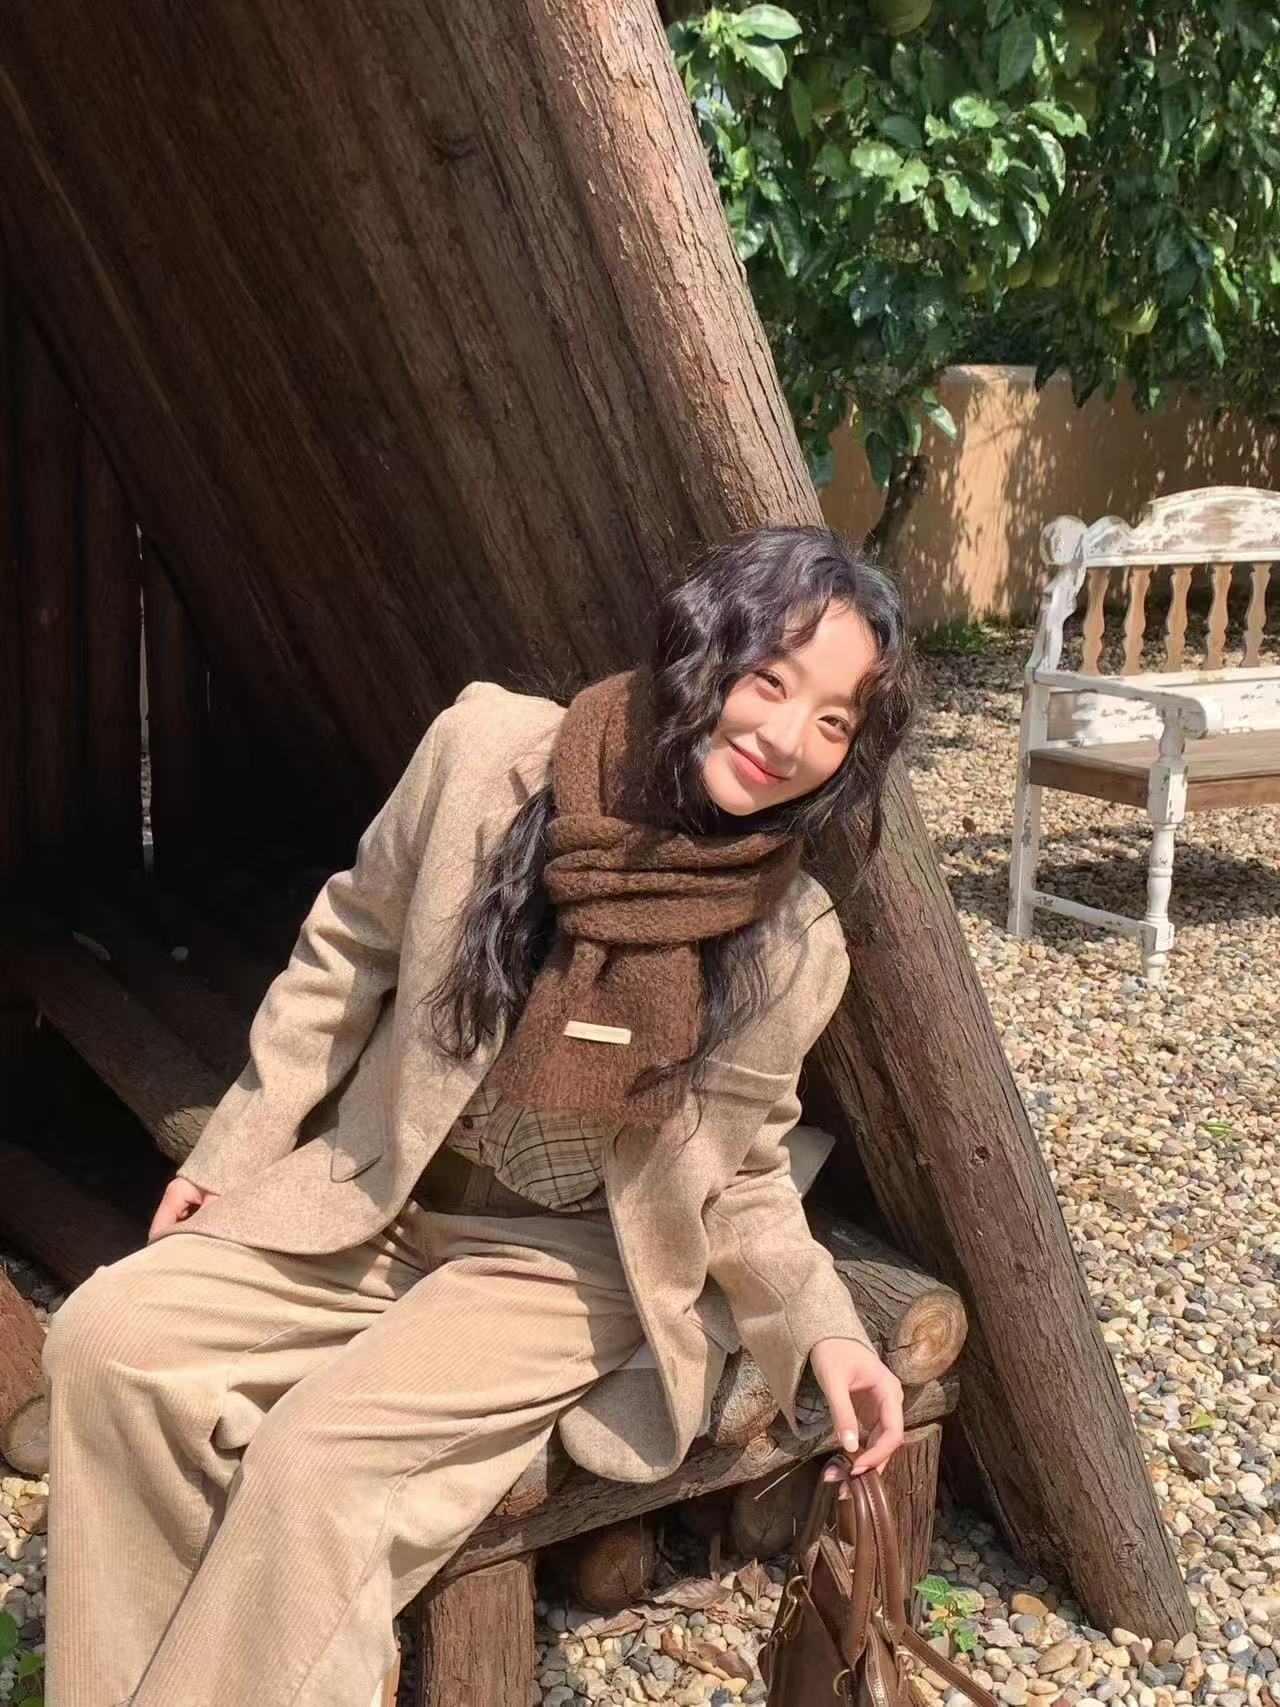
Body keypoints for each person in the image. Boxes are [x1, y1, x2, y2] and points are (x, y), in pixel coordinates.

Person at [41, 523, 917, 1707]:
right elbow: (347, 948)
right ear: (701, 650)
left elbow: (743, 1171)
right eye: (770, 679)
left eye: (833, 721)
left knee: (316, 1464)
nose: (787, 737)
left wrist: (826, 1330)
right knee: (108, 1342)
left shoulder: (791, 937)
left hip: (566, 1265)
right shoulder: (483, 754)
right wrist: (239, 1145)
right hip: (384, 1193)